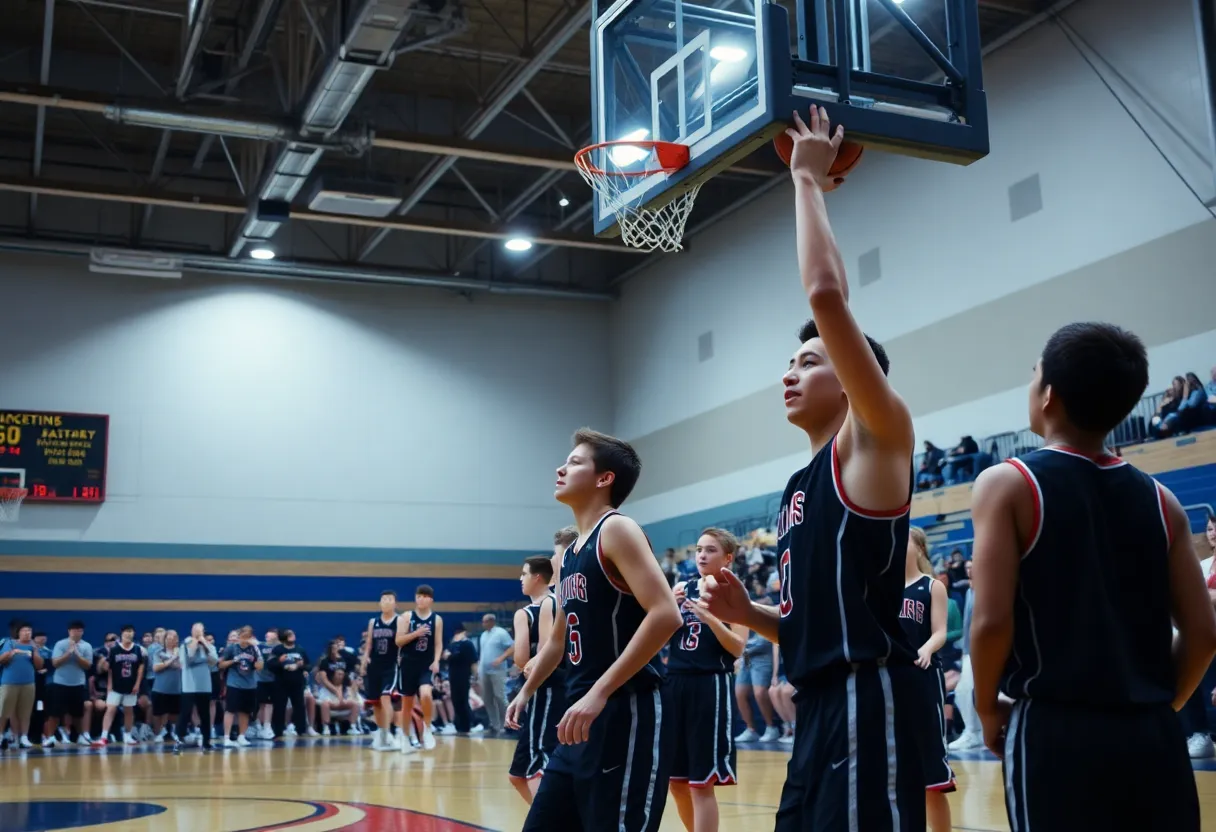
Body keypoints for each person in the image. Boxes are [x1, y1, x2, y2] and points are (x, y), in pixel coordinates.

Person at [698, 107, 930, 830]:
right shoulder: (799, 487)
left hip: (868, 701)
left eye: (809, 361)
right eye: (788, 364)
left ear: (859, 378)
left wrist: (806, 182)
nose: (789, 375)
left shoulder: (877, 438)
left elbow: (826, 296)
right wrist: (752, 617)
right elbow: (816, 626)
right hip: (819, 708)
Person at [969, 322, 1216, 831]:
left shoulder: (1008, 483)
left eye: (1034, 373)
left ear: (1049, 394)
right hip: (1152, 735)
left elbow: (992, 623)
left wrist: (987, 708)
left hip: (1056, 730)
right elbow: (1205, 633)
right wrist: (1159, 704)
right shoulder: (1162, 501)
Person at [507, 428, 682, 832]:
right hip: (577, 721)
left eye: (574, 462)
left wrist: (599, 692)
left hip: (626, 712)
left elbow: (666, 614)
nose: (560, 467)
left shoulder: (617, 530)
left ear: (604, 479)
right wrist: (527, 690)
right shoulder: (568, 556)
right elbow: (557, 638)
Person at [666, 529, 748, 832]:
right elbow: (658, 635)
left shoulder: (733, 593)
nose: (701, 555)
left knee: (701, 784)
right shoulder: (681, 589)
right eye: (699, 549)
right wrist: (667, 609)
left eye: (711, 550)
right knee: (676, 782)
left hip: (709, 685)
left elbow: (738, 647)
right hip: (674, 684)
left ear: (728, 557)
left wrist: (710, 617)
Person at [899, 527, 955, 831]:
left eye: (904, 538)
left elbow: (941, 632)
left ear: (919, 548)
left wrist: (927, 648)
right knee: (898, 773)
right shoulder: (883, 588)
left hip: (924, 679)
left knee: (931, 776)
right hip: (893, 682)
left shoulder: (931, 586)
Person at [508, 555, 566, 804]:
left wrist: (528, 663)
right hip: (564, 686)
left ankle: (554, 822)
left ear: (538, 577)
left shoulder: (526, 613)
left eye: (524, 573)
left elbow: (521, 659)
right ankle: (545, 821)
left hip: (544, 689)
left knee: (537, 764)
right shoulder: (563, 603)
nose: (520, 578)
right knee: (517, 775)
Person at [396, 585, 442, 752]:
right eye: (419, 596)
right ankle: (405, 737)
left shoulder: (437, 619)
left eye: (425, 596)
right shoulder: (406, 617)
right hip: (408, 664)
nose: (421, 599)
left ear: (431, 599)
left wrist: (437, 660)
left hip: (426, 665)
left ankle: (427, 728)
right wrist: (416, 633)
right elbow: (398, 641)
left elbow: (438, 644)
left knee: (426, 694)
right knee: (406, 704)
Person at [362, 590, 402, 751]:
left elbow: (401, 644)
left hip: (390, 665)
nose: (386, 601)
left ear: (395, 603)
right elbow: (369, 643)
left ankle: (389, 735)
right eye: (383, 599)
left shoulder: (400, 620)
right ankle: (381, 735)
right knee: (376, 703)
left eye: (389, 599)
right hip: (374, 665)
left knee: (386, 698)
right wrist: (365, 660)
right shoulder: (373, 622)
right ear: (379, 603)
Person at [43, 621, 94, 748]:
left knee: (78, 713)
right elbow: (55, 663)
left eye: (79, 630)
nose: (77, 633)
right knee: (54, 713)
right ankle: (50, 737)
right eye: (74, 630)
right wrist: (68, 653)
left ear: (82, 632)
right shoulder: (60, 644)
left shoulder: (87, 646)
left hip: (78, 684)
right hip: (60, 683)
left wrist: (76, 654)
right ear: (69, 631)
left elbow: (87, 665)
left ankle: (81, 736)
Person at [94, 625, 145, 746]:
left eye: (131, 632)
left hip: (131, 686)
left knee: (129, 710)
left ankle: (127, 735)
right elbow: (110, 669)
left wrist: (137, 684)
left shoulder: (138, 649)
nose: (129, 634)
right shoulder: (115, 650)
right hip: (116, 685)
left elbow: (140, 669)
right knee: (110, 709)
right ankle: (104, 736)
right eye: (126, 632)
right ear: (122, 634)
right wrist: (109, 686)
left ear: (133, 633)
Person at [0, 623, 44, 750]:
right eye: (24, 631)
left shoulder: (33, 646)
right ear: (18, 633)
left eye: (29, 631)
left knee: (25, 712)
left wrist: (35, 650)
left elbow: (39, 665)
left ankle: (24, 738)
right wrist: (12, 652)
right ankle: (1, 736)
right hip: (9, 683)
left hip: (28, 683)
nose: (27, 633)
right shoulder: (10, 643)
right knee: (3, 711)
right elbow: (1, 659)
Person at [175, 622, 217, 752]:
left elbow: (214, 660)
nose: (199, 633)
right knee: (185, 713)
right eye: (196, 630)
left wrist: (204, 642)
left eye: (201, 630)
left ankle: (206, 741)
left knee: (205, 714)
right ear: (192, 631)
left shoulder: (207, 645)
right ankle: (179, 739)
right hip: (189, 685)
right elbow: (190, 657)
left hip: (204, 685)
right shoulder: (185, 644)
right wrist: (195, 641)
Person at [219, 625, 262, 748]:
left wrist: (257, 654)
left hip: (250, 685)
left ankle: (241, 736)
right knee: (230, 710)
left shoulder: (254, 649)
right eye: (243, 636)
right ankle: (227, 737)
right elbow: (221, 665)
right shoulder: (232, 648)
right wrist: (234, 660)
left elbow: (260, 666)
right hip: (234, 683)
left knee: (245, 711)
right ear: (239, 636)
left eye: (248, 636)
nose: (245, 639)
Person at [272, 628, 315, 738]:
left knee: (299, 706)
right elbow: (270, 665)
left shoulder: (300, 649)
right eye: (289, 634)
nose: (292, 635)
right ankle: (278, 731)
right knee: (280, 707)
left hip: (297, 682)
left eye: (293, 633)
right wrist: (280, 662)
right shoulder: (277, 649)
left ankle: (301, 730)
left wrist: (301, 666)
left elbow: (309, 665)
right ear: (284, 637)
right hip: (281, 682)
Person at [478, 613, 513, 734]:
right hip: (484, 671)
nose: (483, 624)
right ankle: (495, 724)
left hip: (498, 671)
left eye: (485, 621)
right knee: (487, 698)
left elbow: (512, 647)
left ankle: (507, 723)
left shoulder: (501, 633)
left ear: (492, 621)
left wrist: (501, 658)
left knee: (500, 696)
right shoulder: (483, 635)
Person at [443, 627, 477, 733]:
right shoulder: (452, 645)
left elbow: (473, 661)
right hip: (453, 676)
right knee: (455, 700)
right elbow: (445, 655)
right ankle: (458, 725)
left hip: (464, 676)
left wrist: (475, 676)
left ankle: (468, 725)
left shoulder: (468, 644)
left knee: (463, 700)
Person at [151, 630, 182, 743]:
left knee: (174, 713)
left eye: (174, 638)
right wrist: (173, 659)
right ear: (164, 640)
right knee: (158, 713)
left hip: (176, 688)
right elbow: (156, 668)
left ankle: (173, 731)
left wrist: (170, 662)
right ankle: (158, 733)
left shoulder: (181, 652)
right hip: (160, 688)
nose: (171, 640)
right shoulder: (158, 652)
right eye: (169, 638)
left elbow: (181, 666)